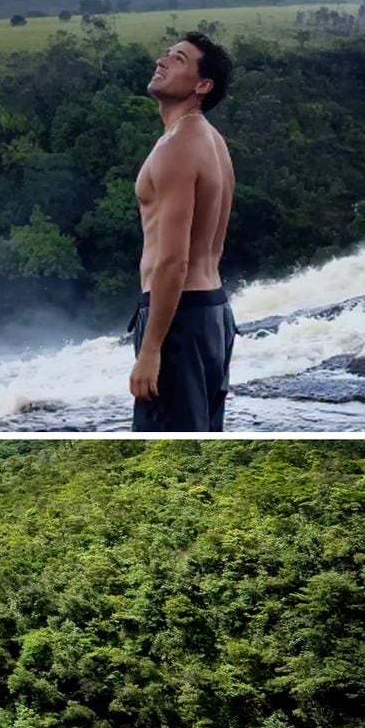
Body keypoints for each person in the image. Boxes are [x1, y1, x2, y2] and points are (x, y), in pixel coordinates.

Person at [128, 31, 236, 431]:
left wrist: (151, 349)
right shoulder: (213, 141)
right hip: (213, 313)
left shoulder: (177, 147)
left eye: (179, 59)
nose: (162, 61)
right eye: (167, 54)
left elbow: (173, 260)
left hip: (179, 318)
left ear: (202, 86)